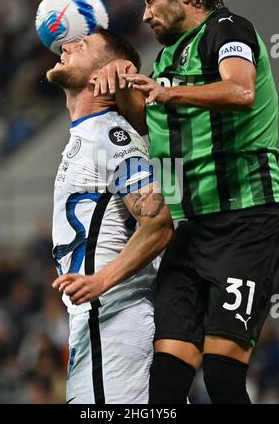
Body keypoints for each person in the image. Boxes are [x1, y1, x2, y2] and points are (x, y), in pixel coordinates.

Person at [93, 0, 279, 404]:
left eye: (152, 0)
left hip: (244, 221)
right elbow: (151, 123)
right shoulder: (166, 58)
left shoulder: (228, 29)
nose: (145, 14)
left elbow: (241, 90)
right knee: (168, 379)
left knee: (221, 373)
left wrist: (168, 90)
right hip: (188, 226)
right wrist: (122, 87)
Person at [47, 27, 174, 404]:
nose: (66, 46)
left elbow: (159, 224)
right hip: (98, 325)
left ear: (103, 76)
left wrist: (101, 281)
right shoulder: (89, 134)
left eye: (81, 45)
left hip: (115, 321)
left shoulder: (109, 135)